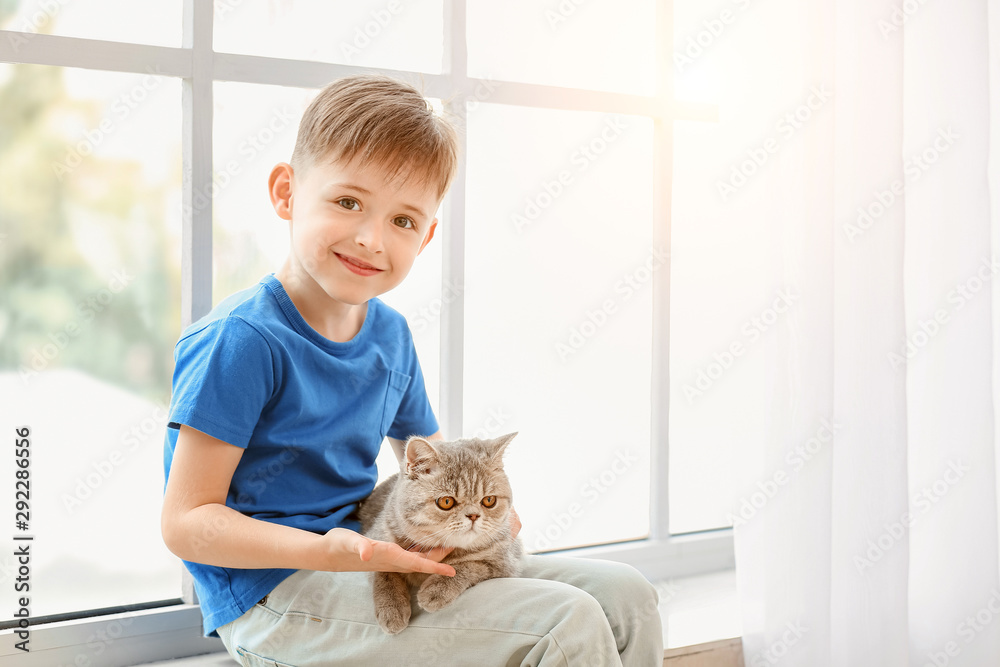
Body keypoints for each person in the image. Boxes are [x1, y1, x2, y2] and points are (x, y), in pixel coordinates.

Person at [160, 73, 663, 666]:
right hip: (272, 594)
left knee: (626, 596)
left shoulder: (390, 335)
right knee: (565, 623)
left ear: (426, 236)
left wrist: (483, 515)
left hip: (368, 557)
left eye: (403, 221)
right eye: (348, 202)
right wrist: (337, 554)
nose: (372, 238)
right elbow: (186, 523)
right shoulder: (242, 341)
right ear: (286, 193)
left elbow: (433, 462)